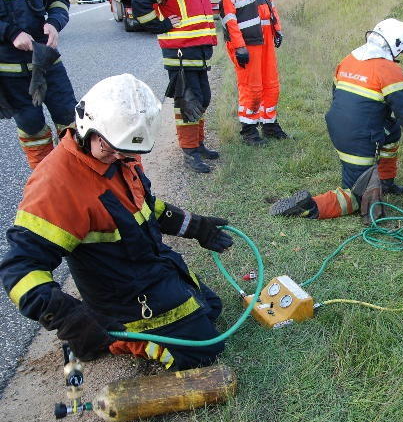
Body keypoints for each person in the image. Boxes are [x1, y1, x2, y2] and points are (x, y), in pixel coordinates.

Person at [0, 74, 233, 370]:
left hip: (151, 267)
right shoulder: (56, 184)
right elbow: (19, 271)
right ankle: (112, 336)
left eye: (126, 152)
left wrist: (196, 226)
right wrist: (71, 320)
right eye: (110, 149)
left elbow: (145, 208)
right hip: (119, 296)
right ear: (88, 126)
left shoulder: (120, 153)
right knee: (205, 350)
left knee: (212, 309)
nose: (119, 157)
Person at [269, 18, 403, 221]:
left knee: (392, 129)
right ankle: (308, 206)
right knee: (359, 196)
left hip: (338, 127)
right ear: (396, 46)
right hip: (357, 139)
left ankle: (385, 182)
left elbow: (337, 94)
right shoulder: (389, 70)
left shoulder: (349, 59)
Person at [132, 0, 219, 173]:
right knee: (188, 101)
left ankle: (198, 144)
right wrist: (162, 25)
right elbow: (138, 3)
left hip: (198, 50)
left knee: (203, 98)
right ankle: (190, 152)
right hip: (180, 51)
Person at [0, 0, 76, 169]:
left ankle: (80, 177)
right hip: (9, 71)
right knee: (32, 131)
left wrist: (54, 22)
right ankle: (47, 181)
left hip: (47, 61)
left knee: (71, 122)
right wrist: (10, 33)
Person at [214, 0, 288, 145]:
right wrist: (239, 46)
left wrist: (276, 28)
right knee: (251, 86)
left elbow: (268, 0)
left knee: (271, 84)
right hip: (246, 41)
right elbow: (227, 14)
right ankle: (249, 130)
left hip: (266, 37)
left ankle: (269, 125)